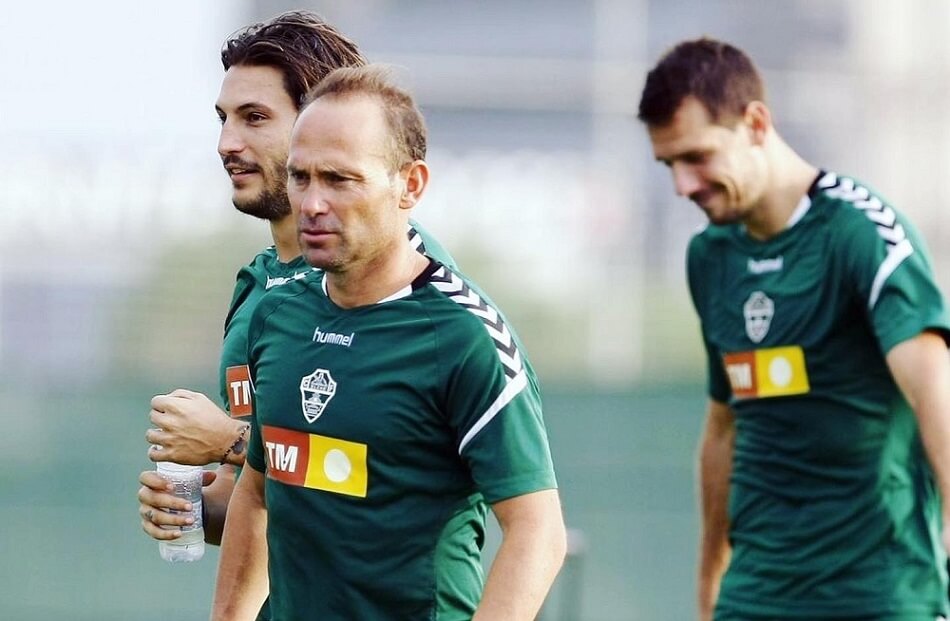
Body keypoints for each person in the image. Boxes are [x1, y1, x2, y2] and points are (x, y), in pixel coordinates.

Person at [210, 65, 566, 620]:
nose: (311, 202)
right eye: (301, 177)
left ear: (410, 185)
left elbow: (537, 531)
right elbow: (258, 492)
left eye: (340, 179)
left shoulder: (464, 336)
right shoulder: (277, 315)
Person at [639, 37, 950, 620]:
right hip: (757, 598)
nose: (684, 185)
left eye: (697, 157)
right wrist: (710, 587)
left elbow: (938, 393)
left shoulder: (863, 235)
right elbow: (724, 429)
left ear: (756, 123)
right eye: (669, 165)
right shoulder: (710, 257)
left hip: (880, 597)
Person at [135, 12, 455, 561]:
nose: (225, 143)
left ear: (321, 124)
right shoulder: (257, 288)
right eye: (222, 119)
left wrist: (232, 443)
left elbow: (389, 473)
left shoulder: (399, 272)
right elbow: (273, 507)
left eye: (254, 117)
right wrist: (194, 507)